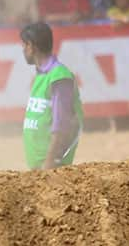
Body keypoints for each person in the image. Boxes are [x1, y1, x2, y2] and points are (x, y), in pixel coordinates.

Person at [20, 22, 83, 171]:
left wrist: (50, 161)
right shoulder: (41, 75)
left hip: (52, 168)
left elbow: (61, 125)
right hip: (39, 167)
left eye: (24, 45)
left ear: (31, 46)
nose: (23, 50)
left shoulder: (59, 76)